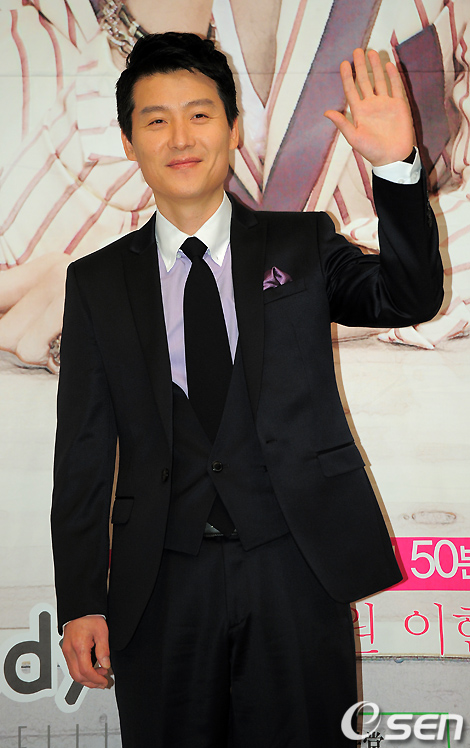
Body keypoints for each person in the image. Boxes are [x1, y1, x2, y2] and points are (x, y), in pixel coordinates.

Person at [51, 32, 443, 747]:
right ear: (129, 141)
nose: (180, 137)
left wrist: (395, 168)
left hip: (296, 565)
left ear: (234, 129)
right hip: (158, 583)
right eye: (156, 120)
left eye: (200, 114)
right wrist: (80, 599)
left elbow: (407, 297)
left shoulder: (301, 245)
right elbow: (81, 452)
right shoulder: (96, 282)